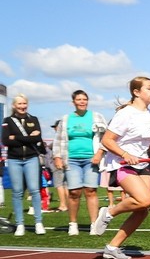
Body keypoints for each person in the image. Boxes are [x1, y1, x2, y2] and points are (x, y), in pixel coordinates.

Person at [91, 77, 150, 259]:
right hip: (122, 164)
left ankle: (112, 247)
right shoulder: (125, 114)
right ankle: (108, 212)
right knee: (145, 199)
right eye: (149, 88)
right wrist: (125, 155)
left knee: (143, 208)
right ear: (136, 92)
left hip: (142, 164)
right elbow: (107, 140)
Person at [52, 89, 108, 235]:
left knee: (91, 191)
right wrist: (57, 157)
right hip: (71, 159)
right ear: (73, 102)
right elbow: (58, 139)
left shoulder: (96, 117)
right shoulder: (66, 119)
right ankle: (73, 224)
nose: (82, 102)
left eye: (84, 99)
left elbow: (106, 137)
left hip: (91, 158)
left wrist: (99, 153)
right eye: (79, 100)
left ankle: (94, 224)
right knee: (74, 192)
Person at [2, 94, 47, 236]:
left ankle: (38, 222)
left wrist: (16, 137)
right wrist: (29, 138)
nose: (22, 106)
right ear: (14, 106)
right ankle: (20, 223)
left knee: (34, 190)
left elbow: (38, 138)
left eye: (24, 103)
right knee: (17, 192)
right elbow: (6, 141)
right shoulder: (7, 121)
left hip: (31, 158)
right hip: (14, 159)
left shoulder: (33, 119)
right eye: (19, 104)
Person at [49, 120, 69, 213]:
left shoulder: (59, 138)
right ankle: (68, 204)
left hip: (59, 163)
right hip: (67, 161)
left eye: (55, 127)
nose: (54, 129)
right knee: (65, 185)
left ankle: (63, 205)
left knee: (59, 184)